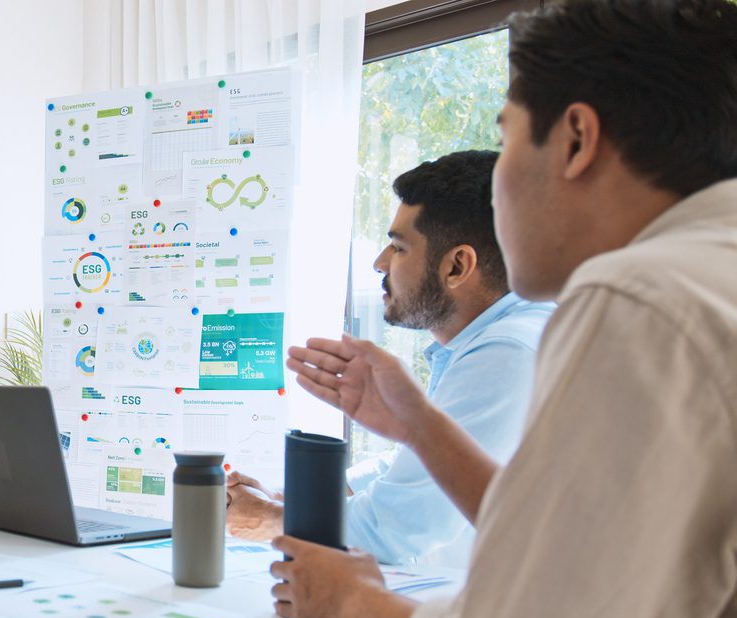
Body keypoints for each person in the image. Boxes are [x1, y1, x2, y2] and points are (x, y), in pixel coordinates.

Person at [270, 2, 737, 618]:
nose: (498, 186)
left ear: (576, 140)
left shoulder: (638, 298)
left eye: (506, 137)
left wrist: (351, 602)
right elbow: (582, 552)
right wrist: (417, 423)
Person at [226, 151, 552, 566]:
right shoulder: (502, 339)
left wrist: (271, 520)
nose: (379, 262)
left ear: (457, 266)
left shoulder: (505, 354)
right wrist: (289, 501)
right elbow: (416, 470)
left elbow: (397, 528)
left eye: (398, 247)